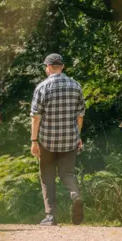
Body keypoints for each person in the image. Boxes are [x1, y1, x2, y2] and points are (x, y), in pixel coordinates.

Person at [30, 53, 85, 226]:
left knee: (47, 176)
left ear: (47, 67)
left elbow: (36, 117)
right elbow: (80, 115)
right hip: (70, 139)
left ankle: (51, 216)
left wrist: (33, 141)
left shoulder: (42, 87)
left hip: (47, 141)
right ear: (62, 67)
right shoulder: (75, 86)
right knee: (67, 173)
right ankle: (75, 195)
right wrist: (77, 136)